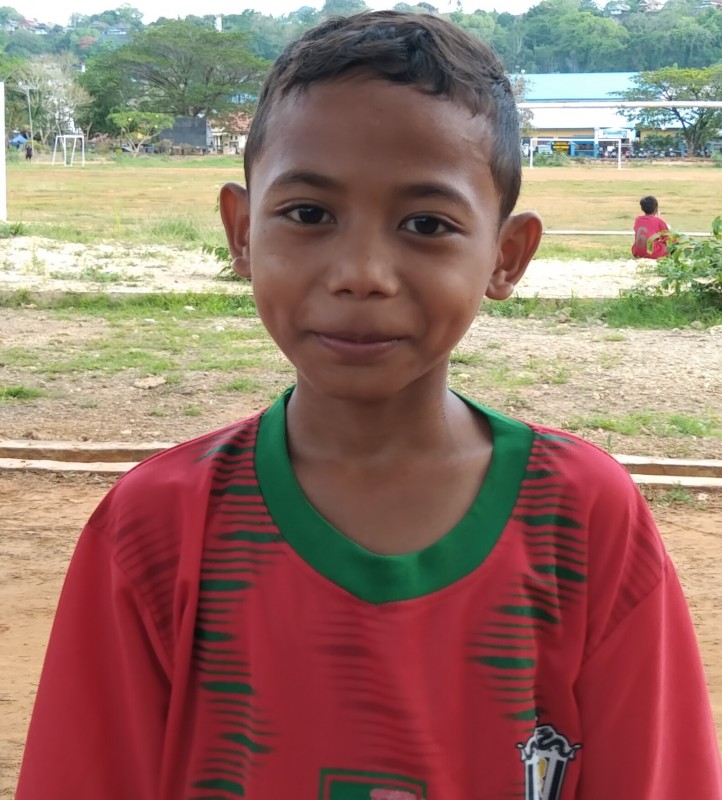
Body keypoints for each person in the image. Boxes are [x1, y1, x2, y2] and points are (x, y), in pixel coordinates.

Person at [16, 12, 721, 800]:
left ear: (506, 255)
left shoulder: (583, 520)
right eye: (309, 214)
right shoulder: (154, 529)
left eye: (427, 224)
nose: (361, 273)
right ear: (242, 232)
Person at [632, 195, 669, 259]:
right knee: (671, 245)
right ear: (656, 209)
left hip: (636, 252)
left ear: (642, 208)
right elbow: (668, 238)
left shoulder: (638, 219)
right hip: (652, 254)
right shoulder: (658, 221)